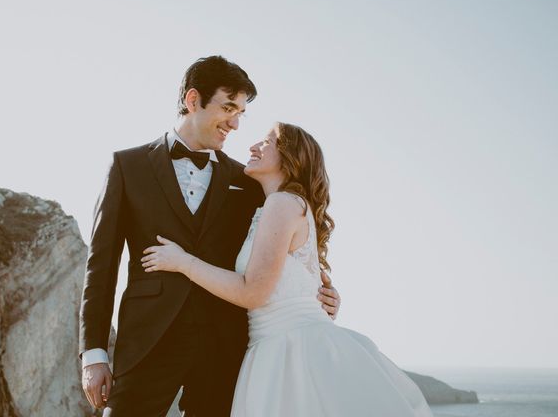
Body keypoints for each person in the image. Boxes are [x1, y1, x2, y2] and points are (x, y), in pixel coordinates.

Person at [79, 56, 341, 416]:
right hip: (148, 340)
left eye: (241, 113)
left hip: (226, 347)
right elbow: (102, 266)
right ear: (192, 100)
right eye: (228, 107)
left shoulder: (249, 182)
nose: (235, 123)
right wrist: (93, 355)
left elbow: (286, 247)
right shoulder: (128, 166)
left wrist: (321, 294)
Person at [141, 122, 434, 417]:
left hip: (291, 352)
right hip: (278, 345)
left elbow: (253, 291)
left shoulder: (282, 204)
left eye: (267, 141)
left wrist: (182, 262)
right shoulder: (283, 205)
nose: (253, 146)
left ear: (290, 156)